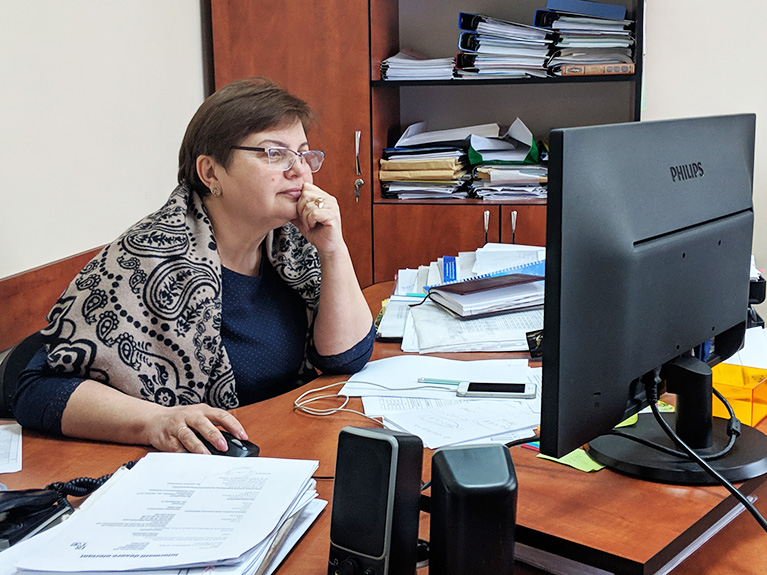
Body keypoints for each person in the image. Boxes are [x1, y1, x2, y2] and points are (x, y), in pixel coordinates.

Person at [14, 77, 374, 455]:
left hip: (277, 443)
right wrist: (155, 421)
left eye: (303, 154)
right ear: (211, 173)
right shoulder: (147, 257)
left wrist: (334, 250)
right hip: (188, 467)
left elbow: (344, 357)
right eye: (274, 154)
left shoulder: (289, 244)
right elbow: (38, 389)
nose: (299, 170)